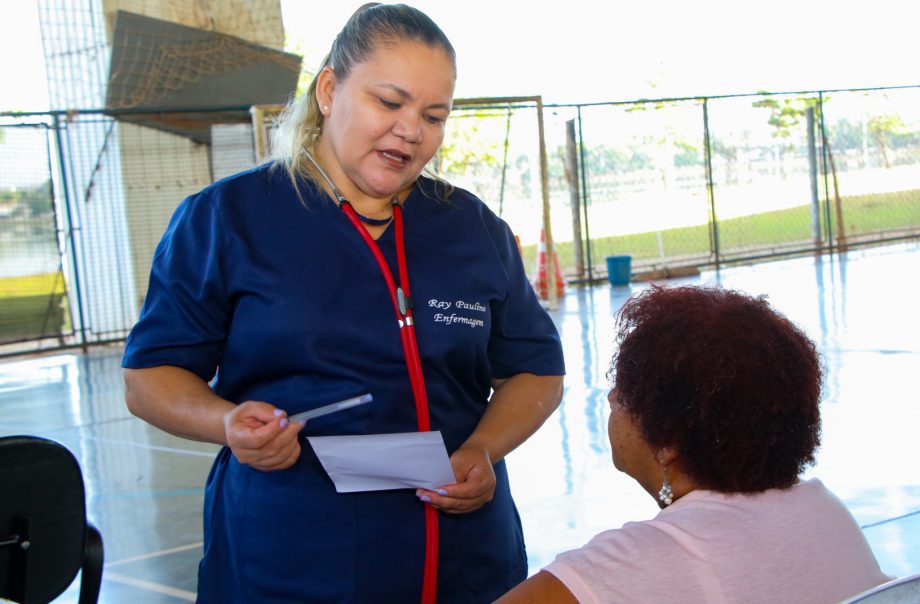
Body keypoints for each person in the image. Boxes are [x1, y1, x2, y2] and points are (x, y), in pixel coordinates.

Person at [121, 4, 564, 603]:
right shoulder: (227, 220)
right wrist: (225, 422)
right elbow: (150, 376)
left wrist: (483, 450)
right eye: (389, 102)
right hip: (292, 558)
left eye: (434, 116)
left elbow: (535, 368)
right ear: (329, 90)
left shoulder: (469, 228)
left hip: (463, 558)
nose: (412, 130)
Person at [497, 285, 891, 604]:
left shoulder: (634, 562)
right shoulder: (826, 514)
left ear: (667, 440)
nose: (611, 397)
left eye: (626, 390)